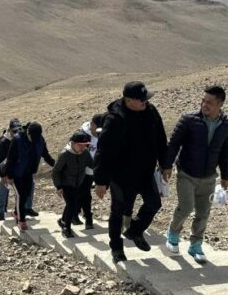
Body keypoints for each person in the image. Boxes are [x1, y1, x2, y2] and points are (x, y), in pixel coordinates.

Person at [94, 81, 169, 263]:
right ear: (128, 100)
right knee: (118, 212)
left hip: (145, 172)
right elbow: (104, 151)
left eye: (146, 98)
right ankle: (116, 247)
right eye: (141, 99)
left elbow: (161, 137)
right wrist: (101, 181)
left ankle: (135, 230)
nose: (146, 102)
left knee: (154, 203)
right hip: (121, 176)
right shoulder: (115, 119)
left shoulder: (150, 111)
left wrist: (165, 164)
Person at [164, 86, 228, 263]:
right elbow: (174, 143)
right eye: (203, 100)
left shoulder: (227, 126)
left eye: (209, 102)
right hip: (186, 173)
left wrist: (225, 176)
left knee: (203, 213)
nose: (204, 104)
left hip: (209, 176)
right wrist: (167, 165)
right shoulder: (189, 119)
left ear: (220, 104)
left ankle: (195, 244)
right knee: (186, 207)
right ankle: (173, 233)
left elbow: (225, 152)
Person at [4, 122, 56, 229]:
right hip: (16, 173)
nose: (34, 140)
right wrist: (9, 176)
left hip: (29, 172)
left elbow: (45, 155)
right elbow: (10, 159)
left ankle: (16, 213)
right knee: (21, 195)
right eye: (33, 138)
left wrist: (55, 165)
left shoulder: (40, 140)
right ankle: (21, 221)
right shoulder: (17, 140)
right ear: (28, 133)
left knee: (26, 194)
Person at [52, 130, 94, 238]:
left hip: (79, 183)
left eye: (85, 145)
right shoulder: (65, 154)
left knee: (72, 204)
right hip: (66, 183)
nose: (83, 147)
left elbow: (92, 164)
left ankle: (62, 221)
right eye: (80, 145)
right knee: (71, 204)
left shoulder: (85, 153)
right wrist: (59, 186)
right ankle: (67, 228)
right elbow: (56, 171)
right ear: (72, 144)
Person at [78, 113, 104, 229]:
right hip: (81, 170)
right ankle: (86, 218)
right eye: (96, 127)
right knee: (82, 194)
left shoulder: (102, 134)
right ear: (92, 124)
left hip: (94, 170)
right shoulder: (82, 135)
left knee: (84, 194)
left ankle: (81, 215)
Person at [0, 119, 21, 221]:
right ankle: (1, 213)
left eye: (18, 131)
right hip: (4, 171)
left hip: (15, 171)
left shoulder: (19, 139)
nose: (16, 133)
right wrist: (2, 175)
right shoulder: (3, 142)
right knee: (3, 192)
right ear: (9, 130)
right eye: (14, 131)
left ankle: (18, 212)